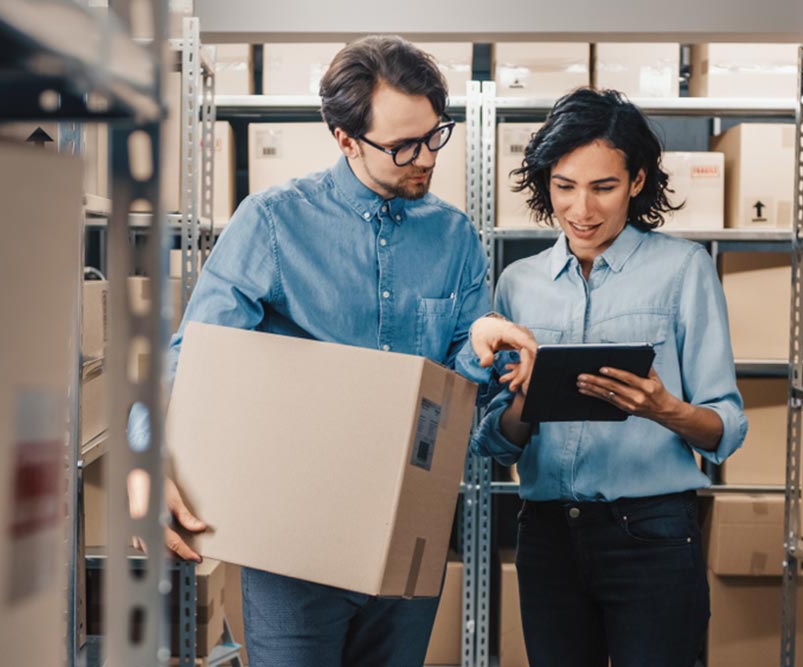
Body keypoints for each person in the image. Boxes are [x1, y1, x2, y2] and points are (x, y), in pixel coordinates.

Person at [127, 35, 536, 667]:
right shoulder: (271, 223)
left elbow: (460, 395)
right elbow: (192, 358)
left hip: (408, 535)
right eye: (402, 145)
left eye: (434, 135)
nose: (425, 158)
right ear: (344, 139)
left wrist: (479, 350)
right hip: (294, 544)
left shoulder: (454, 237)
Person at [470, 88, 748, 667]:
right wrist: (523, 399)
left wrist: (661, 408)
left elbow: (726, 428)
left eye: (603, 187)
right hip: (546, 536)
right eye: (564, 186)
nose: (582, 211)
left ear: (638, 181)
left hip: (651, 533)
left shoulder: (683, 270)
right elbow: (496, 443)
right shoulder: (518, 284)